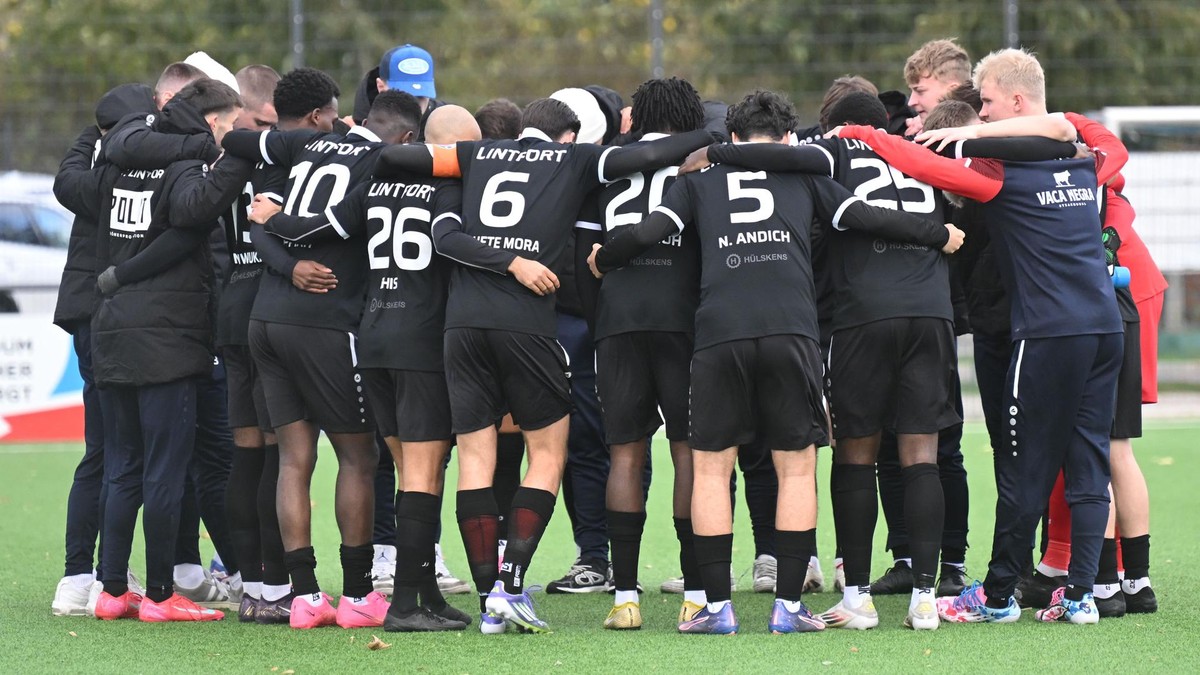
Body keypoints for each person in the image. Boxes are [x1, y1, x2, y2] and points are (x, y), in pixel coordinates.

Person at [590, 89, 963, 635]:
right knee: (796, 466)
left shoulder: (697, 181)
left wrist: (606, 255)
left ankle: (717, 607)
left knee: (712, 468)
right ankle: (788, 606)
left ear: (734, 136)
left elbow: (650, 230)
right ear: (789, 138)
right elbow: (863, 216)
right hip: (792, 332)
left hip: (720, 336)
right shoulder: (806, 176)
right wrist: (939, 233)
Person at [374, 97, 715, 632]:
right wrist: (710, 143)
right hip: (525, 322)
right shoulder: (574, 160)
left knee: (476, 460)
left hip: (460, 327)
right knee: (548, 455)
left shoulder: (476, 156)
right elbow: (654, 152)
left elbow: (398, 163)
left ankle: (490, 599)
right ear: (569, 136)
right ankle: (510, 586)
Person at [836, 51, 1122, 624]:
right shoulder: (1090, 160)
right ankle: (1085, 596)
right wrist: (1008, 128)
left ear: (1016, 102)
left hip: (1046, 335)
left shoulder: (1002, 175)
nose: (979, 113)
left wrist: (861, 133)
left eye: (986, 103)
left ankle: (996, 597)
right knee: (1089, 463)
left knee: (1021, 468)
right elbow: (1079, 128)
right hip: (1104, 326)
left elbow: (919, 164)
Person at [248, 104, 484, 633]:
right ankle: (369, 594)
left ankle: (307, 594)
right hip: (378, 332)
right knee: (374, 461)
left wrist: (275, 229)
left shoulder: (358, 173)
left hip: (315, 323)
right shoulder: (443, 185)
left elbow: (308, 223)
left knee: (297, 458)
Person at [220, 88, 423, 630]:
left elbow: (248, 175)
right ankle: (358, 593)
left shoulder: (308, 145)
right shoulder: (383, 161)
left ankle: (304, 596)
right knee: (360, 458)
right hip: (327, 322)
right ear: (405, 136)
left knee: (293, 458)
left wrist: (282, 256)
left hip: (266, 317)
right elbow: (333, 227)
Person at [64, 78, 252, 622]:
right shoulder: (185, 168)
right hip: (166, 335)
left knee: (123, 466)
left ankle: (112, 589)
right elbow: (195, 215)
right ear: (212, 122)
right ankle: (163, 595)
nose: (234, 135)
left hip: (112, 326)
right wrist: (236, 159)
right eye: (232, 127)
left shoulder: (120, 163)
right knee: (165, 469)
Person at [575, 77, 707, 628]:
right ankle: (696, 591)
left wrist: (600, 317)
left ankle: (625, 595)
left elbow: (582, 255)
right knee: (688, 452)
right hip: (683, 321)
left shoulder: (606, 166)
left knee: (625, 453)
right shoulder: (703, 164)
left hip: (620, 320)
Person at [50, 82, 164, 617]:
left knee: (102, 451)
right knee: (122, 453)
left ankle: (80, 575)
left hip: (87, 314)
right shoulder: (123, 170)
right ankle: (102, 577)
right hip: (113, 315)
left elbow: (66, 181)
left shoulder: (86, 163)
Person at [902, 38, 971, 136]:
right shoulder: (914, 130)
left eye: (920, 91)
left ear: (953, 91)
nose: (911, 102)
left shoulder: (987, 140)